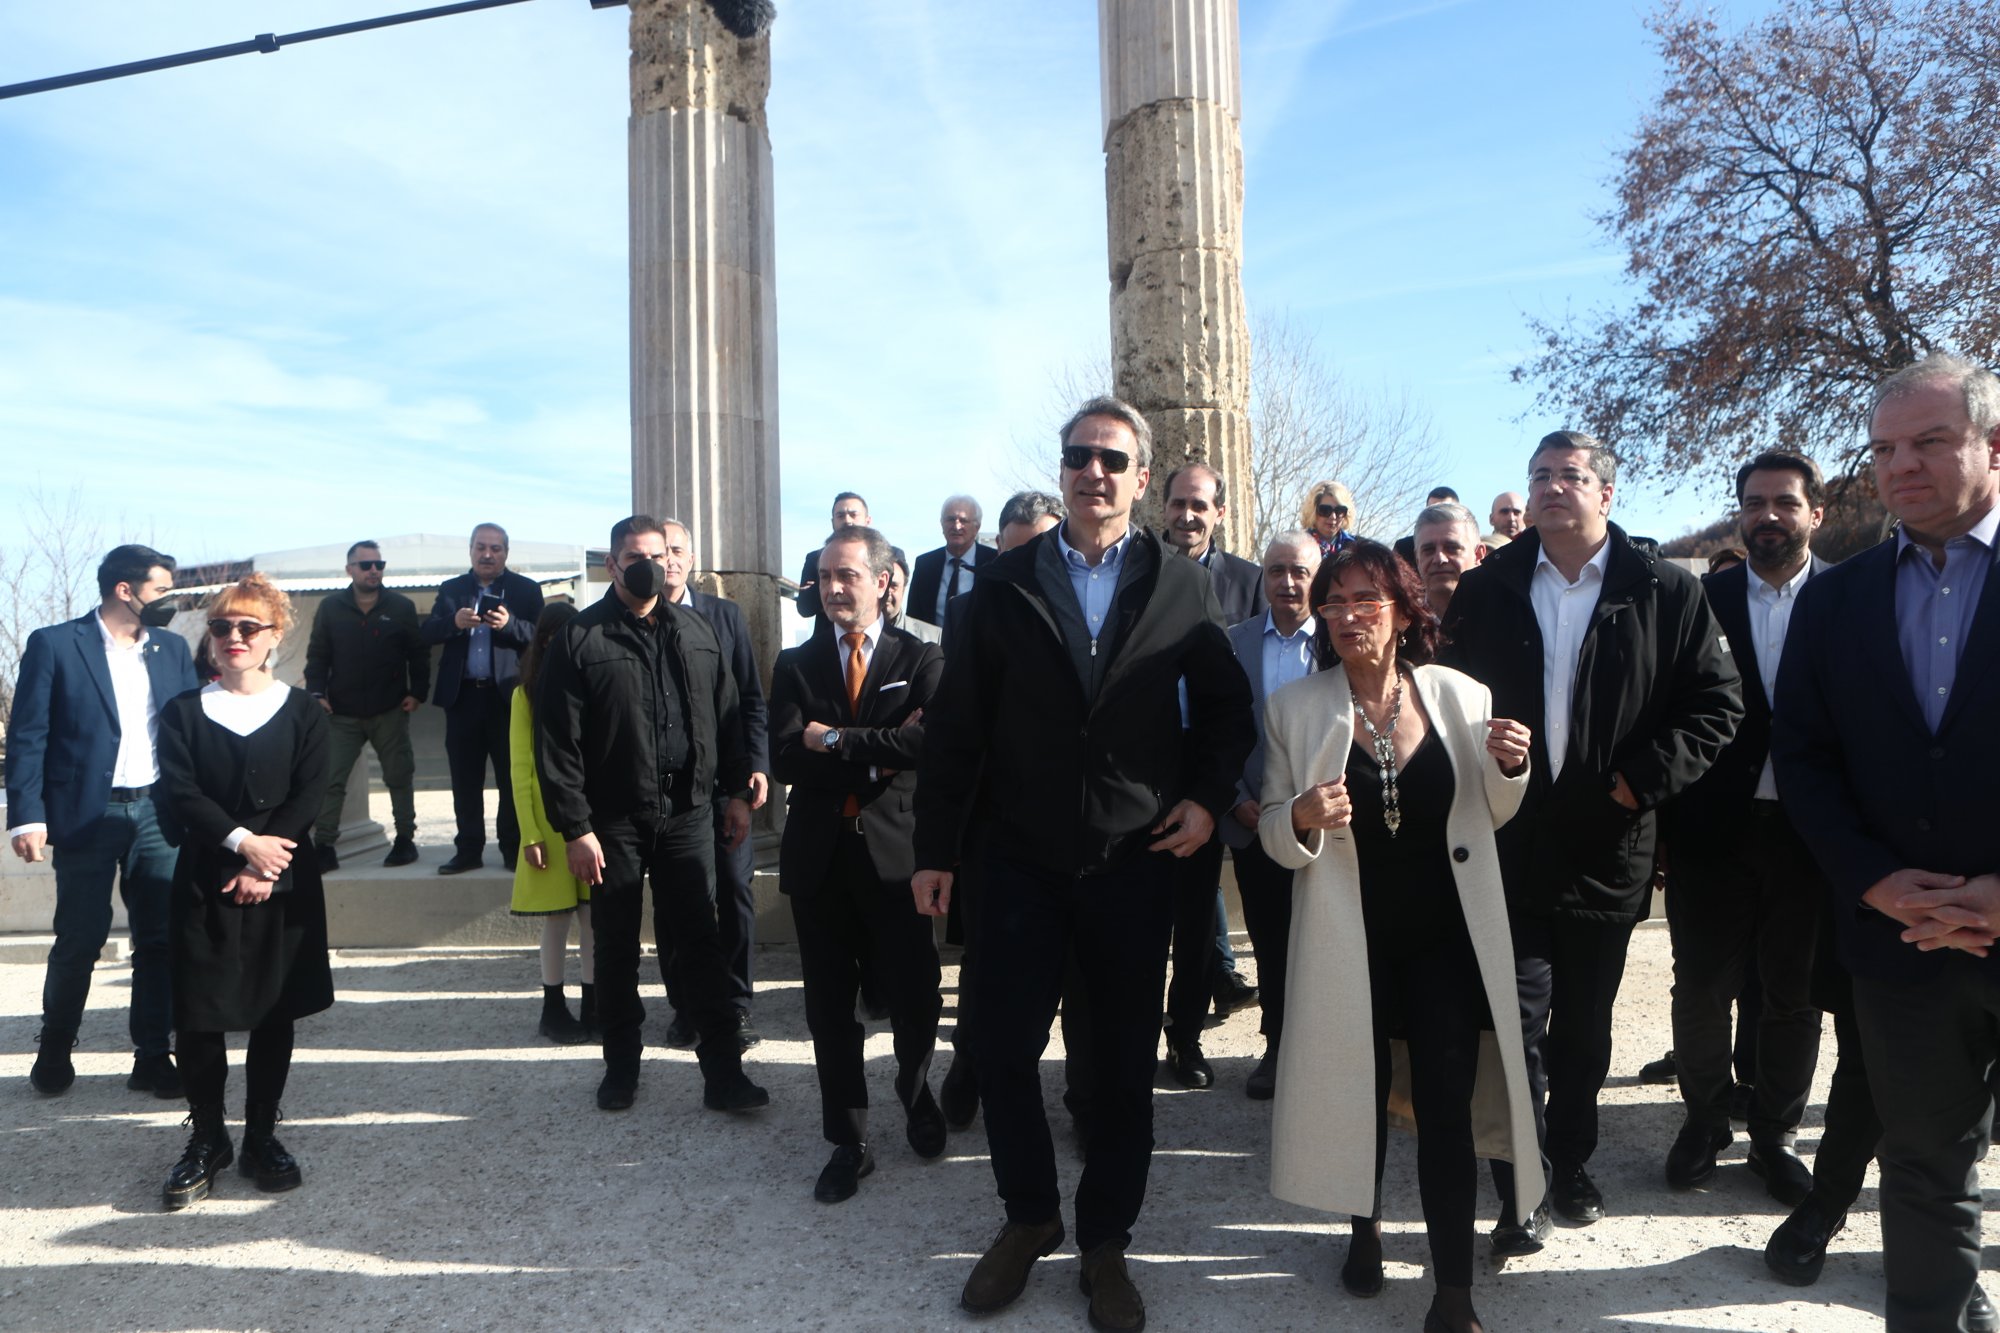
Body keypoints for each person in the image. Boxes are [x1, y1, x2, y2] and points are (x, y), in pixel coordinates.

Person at [912, 396, 1253, 1332]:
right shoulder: (1003, 585)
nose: (1092, 471)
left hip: (1133, 862)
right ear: (1061, 471)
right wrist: (934, 849)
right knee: (1001, 1048)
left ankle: (1106, 1241)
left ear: (1141, 478)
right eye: (1077, 456)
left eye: (1111, 459)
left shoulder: (1180, 585)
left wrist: (1205, 797)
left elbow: (1227, 711)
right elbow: (956, 729)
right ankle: (1030, 1215)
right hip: (1018, 861)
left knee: (1120, 1069)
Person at [1438, 430, 1741, 1251]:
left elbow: (1717, 705)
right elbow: (1443, 699)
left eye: (1569, 475)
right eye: (1538, 474)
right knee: (1514, 1022)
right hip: (1508, 840)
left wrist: (1635, 784)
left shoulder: (1664, 589)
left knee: (1583, 1030)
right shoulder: (1488, 586)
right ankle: (1523, 1182)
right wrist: (1479, 751)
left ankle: (1569, 1159)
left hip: (1609, 844)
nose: (1550, 486)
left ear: (1607, 493)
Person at [1772, 352, 2000, 1332]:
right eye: (1882, 449)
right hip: (1898, 945)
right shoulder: (1835, 599)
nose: (1900, 465)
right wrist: (1872, 881)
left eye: (1930, 441)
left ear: (1993, 445)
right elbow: (1803, 759)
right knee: (1921, 1165)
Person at [1258, 539, 1536, 1333]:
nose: (1347, 616)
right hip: (1348, 939)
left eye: (1365, 600)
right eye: (1333, 602)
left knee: (1446, 1108)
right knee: (1361, 1091)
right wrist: (1299, 815)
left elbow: (1492, 811)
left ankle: (1453, 1292)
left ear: (1404, 612)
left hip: (1444, 940)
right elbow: (1273, 830)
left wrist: (1510, 768)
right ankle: (1365, 1228)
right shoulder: (1294, 708)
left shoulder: (1460, 695)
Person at [534, 515, 766, 1114]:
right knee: (615, 948)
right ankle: (621, 1068)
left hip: (687, 814)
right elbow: (556, 743)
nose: (652, 566)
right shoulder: (580, 638)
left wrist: (736, 793)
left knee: (701, 944)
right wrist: (576, 828)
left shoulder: (697, 630)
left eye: (660, 556)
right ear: (612, 565)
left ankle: (724, 1075)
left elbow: (729, 716)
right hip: (611, 823)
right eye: (637, 557)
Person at [1661, 452, 1832, 1203]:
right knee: (1702, 989)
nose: (1768, 515)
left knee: (1793, 994)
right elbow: (1669, 708)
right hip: (1711, 830)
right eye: (1754, 502)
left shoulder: (1850, 596)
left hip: (1811, 834)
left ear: (1814, 513)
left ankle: (1776, 1135)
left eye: (1784, 502)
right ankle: (1704, 1120)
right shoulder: (1700, 599)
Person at [771, 525, 945, 1203]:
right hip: (820, 858)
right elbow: (786, 755)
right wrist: (878, 751)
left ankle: (916, 1090)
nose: (833, 588)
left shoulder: (920, 657)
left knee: (916, 992)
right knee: (828, 1007)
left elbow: (927, 745)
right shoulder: (795, 664)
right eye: (824, 576)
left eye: (847, 575)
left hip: (897, 857)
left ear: (883, 580)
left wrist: (836, 739)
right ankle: (849, 1139)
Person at [154, 574, 333, 1209]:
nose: (234, 636)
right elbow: (179, 793)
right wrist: (241, 844)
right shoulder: (182, 712)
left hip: (281, 878)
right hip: (206, 876)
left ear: (273, 637)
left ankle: (260, 1135)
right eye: (222, 626)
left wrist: (265, 862)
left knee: (271, 1009)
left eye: (248, 627)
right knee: (198, 1013)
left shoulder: (304, 711)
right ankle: (208, 1138)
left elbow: (311, 792)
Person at [10, 543, 198, 1099]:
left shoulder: (171, 648)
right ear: (125, 589)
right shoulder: (54, 644)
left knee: (159, 939)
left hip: (158, 811)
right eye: (161, 590)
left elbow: (191, 730)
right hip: (86, 814)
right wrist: (26, 816)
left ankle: (152, 1056)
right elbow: (28, 735)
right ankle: (55, 1046)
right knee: (80, 937)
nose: (169, 600)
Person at [935, 489, 1066, 1128]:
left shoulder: (1091, 609)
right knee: (986, 958)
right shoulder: (967, 610)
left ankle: (1080, 1097)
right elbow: (956, 723)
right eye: (1012, 554)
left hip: (1076, 819)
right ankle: (969, 1064)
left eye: (1038, 552)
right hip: (994, 820)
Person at [653, 519, 770, 1053]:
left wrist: (756, 769)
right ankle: (686, 1005)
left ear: (692, 559)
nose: (670, 560)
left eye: (678, 550)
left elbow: (750, 700)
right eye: (662, 551)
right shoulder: (637, 621)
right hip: (668, 793)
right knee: (674, 900)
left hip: (725, 783)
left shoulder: (724, 617)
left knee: (736, 888)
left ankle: (736, 1001)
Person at [1218, 531, 1322, 1099]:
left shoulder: (1339, 639)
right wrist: (1235, 798)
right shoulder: (1234, 643)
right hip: (1257, 822)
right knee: (1272, 940)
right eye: (1276, 570)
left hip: (1328, 823)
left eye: (1299, 571)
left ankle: (1334, 1051)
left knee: (1328, 939)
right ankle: (1279, 1044)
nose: (1287, 582)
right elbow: (1215, 728)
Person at [422, 523, 544, 875]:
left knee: (511, 778)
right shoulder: (451, 589)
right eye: (481, 547)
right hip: (463, 699)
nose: (487, 554)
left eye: (495, 548)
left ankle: (512, 848)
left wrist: (509, 625)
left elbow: (542, 636)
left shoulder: (525, 589)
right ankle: (468, 850)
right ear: (471, 550)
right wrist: (453, 622)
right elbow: (426, 633)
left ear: (506, 553)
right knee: (465, 780)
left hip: (507, 699)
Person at [304, 540, 427, 871]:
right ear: (350, 570)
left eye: (379, 565)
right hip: (341, 712)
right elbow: (318, 655)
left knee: (399, 775)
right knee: (330, 779)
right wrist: (316, 693)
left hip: (390, 709)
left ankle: (405, 840)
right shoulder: (331, 607)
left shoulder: (400, 606)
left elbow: (418, 653)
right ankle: (324, 846)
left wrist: (418, 692)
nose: (374, 570)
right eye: (366, 565)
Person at [509, 602, 593, 1045]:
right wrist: (530, 834)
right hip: (547, 820)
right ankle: (553, 1007)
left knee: (593, 918)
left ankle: (595, 1004)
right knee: (558, 918)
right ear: (542, 640)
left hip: (590, 817)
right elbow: (520, 767)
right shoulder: (525, 694)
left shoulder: (592, 681)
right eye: (553, 635)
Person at [1162, 463, 1266, 626]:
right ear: (1165, 507)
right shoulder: (1138, 569)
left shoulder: (1250, 582)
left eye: (1199, 507)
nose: (1187, 516)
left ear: (1219, 514)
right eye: (1179, 504)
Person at [909, 494, 994, 628]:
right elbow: (913, 617)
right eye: (950, 519)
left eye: (963, 520)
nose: (956, 526)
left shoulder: (993, 561)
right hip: (932, 640)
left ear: (977, 527)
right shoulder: (924, 565)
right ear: (942, 524)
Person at [794, 492, 871, 621]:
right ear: (833, 522)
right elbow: (805, 607)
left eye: (853, 515)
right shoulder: (815, 558)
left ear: (867, 521)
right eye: (840, 516)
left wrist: (821, 587)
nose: (847, 521)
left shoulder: (886, 556)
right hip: (827, 632)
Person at [1410, 502, 1489, 612]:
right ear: (1417, 558)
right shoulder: (1399, 619)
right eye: (1429, 550)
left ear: (1478, 555)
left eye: (1451, 548)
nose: (1439, 559)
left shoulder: (1506, 615)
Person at [884, 547, 944, 646]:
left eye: (893, 586)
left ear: (904, 589)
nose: (887, 592)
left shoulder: (933, 638)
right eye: (881, 584)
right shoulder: (857, 634)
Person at [1394, 486, 1461, 567]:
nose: (1438, 515)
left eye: (1445, 510)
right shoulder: (1404, 548)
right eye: (1432, 510)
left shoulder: (1469, 544)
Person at [1303, 480, 1359, 556]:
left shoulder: (1357, 549)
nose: (1333, 517)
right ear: (1313, 512)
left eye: (1339, 511)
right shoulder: (1297, 545)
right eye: (1325, 510)